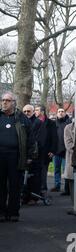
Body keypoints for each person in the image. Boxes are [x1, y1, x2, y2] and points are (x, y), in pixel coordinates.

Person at [0, 92, 32, 222]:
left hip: (16, 156)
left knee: (15, 185)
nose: (4, 102)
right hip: (0, 156)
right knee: (0, 185)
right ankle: (1, 212)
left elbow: (31, 138)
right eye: (2, 100)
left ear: (14, 102)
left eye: (7, 100)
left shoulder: (21, 118)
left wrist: (30, 155)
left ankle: (13, 212)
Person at [32, 105, 57, 194]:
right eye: (34, 110)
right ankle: (35, 190)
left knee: (43, 171)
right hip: (35, 151)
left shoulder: (51, 123)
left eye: (37, 110)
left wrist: (53, 150)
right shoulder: (33, 122)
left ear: (42, 112)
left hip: (46, 151)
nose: (35, 112)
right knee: (35, 171)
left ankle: (43, 189)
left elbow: (54, 137)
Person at [52, 108, 72, 193]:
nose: (60, 113)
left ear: (65, 113)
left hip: (65, 151)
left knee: (66, 170)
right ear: (57, 113)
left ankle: (67, 189)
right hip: (56, 151)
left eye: (62, 111)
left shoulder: (68, 123)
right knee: (56, 169)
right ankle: (57, 186)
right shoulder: (54, 123)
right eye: (59, 111)